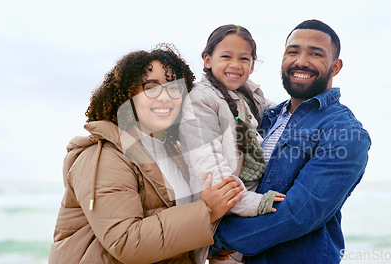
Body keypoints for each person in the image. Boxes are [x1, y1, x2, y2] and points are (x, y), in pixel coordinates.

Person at [48, 44, 244, 264]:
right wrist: (206, 211)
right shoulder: (105, 156)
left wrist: (209, 243)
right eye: (151, 87)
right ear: (127, 95)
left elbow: (172, 234)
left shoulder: (174, 152)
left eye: (174, 88)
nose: (164, 97)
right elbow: (126, 241)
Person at [208, 19, 372, 263]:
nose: (301, 61)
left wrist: (215, 239)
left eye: (315, 54)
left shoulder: (344, 131)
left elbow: (297, 214)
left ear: (335, 67)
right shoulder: (266, 116)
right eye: (292, 51)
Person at [179, 25, 285, 263]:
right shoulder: (200, 100)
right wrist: (257, 203)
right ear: (207, 59)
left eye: (244, 58)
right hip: (227, 218)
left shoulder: (250, 94)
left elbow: (279, 114)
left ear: (253, 64)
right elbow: (210, 168)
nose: (235, 65)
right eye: (226, 56)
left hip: (250, 200)